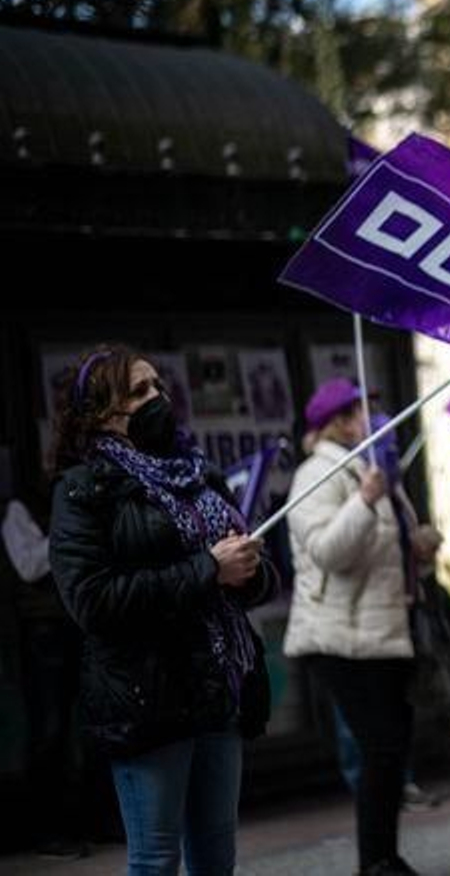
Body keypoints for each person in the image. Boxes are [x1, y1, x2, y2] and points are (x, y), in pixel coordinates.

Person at [48, 345, 275, 875]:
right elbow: (92, 601)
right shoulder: (83, 492)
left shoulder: (201, 476)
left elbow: (255, 583)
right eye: (140, 391)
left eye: (158, 386)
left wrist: (248, 569)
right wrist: (207, 571)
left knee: (216, 858)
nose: (159, 398)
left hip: (218, 690)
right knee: (156, 859)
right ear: (103, 413)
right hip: (147, 698)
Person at [284, 377, 432, 876]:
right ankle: (375, 862)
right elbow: (328, 553)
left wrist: (419, 550)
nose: (371, 419)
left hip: (384, 630)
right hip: (338, 636)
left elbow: (387, 556)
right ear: (338, 422)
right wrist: (365, 501)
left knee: (392, 748)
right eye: (361, 411)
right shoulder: (316, 476)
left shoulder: (373, 470)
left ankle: (386, 856)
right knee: (380, 746)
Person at [3, 452, 91, 859]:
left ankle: (86, 821)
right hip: (44, 636)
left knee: (87, 727)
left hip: (75, 627)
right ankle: (45, 831)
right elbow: (30, 565)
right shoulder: (20, 509)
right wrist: (67, 533)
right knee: (50, 731)